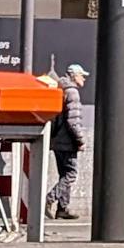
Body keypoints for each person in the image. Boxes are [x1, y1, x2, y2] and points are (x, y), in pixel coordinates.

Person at [47, 62, 89, 221]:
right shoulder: (73, 93)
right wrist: (80, 140)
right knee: (70, 174)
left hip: (57, 139)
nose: (84, 78)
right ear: (74, 76)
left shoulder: (61, 89)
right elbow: (73, 121)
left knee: (64, 174)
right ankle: (50, 199)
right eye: (82, 75)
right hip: (67, 141)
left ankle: (62, 208)